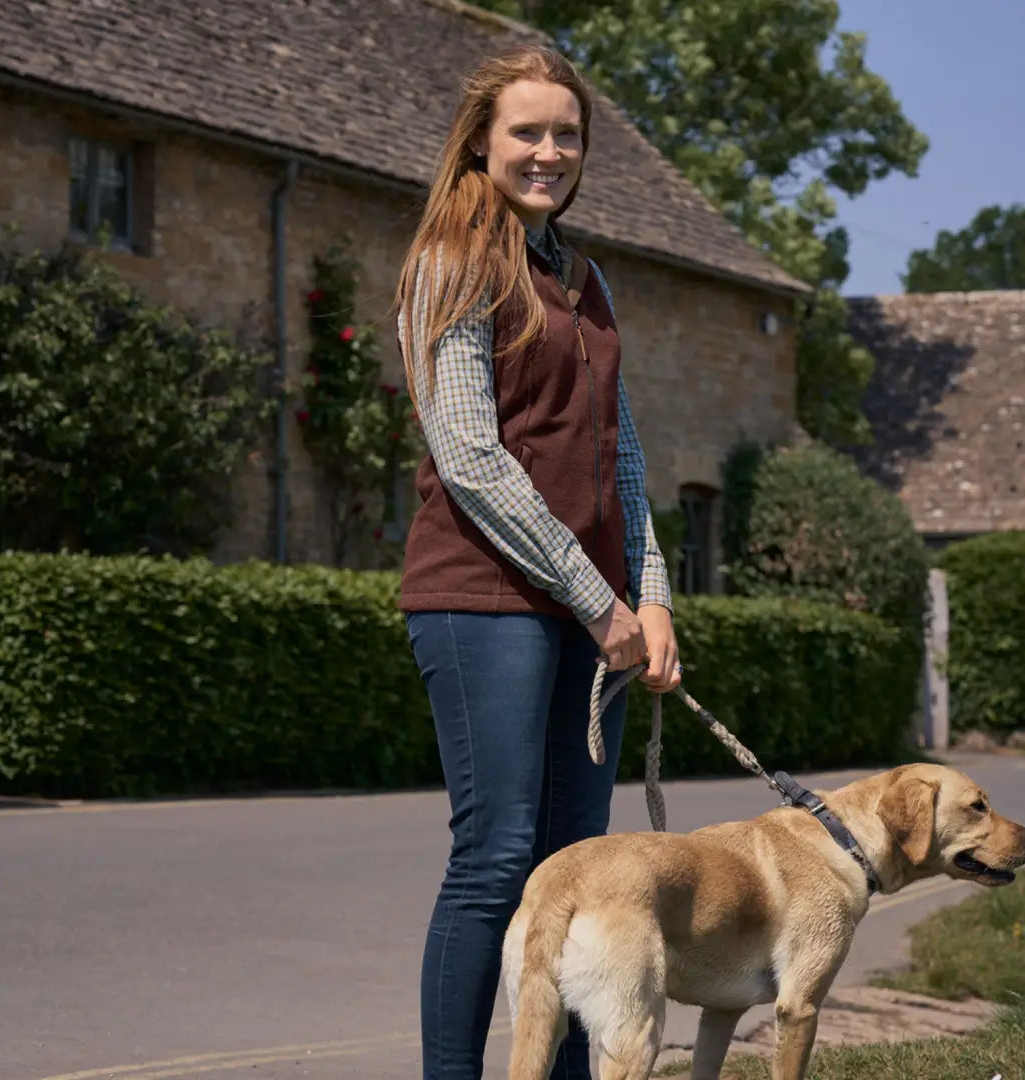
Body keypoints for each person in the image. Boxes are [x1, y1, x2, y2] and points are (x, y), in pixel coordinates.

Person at [394, 43, 681, 1080]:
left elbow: (625, 454)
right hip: (485, 601)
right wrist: (596, 596)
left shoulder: (587, 278)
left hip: (590, 610)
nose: (549, 151)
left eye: (567, 133)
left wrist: (650, 600)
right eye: (528, 131)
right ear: (481, 139)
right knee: (497, 861)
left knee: (581, 872)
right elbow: (470, 454)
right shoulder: (449, 265)